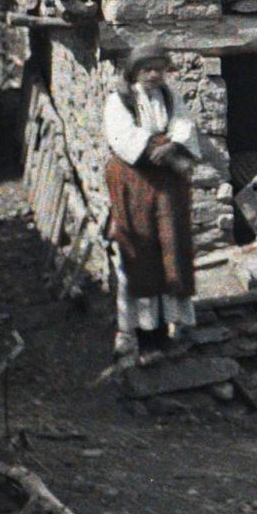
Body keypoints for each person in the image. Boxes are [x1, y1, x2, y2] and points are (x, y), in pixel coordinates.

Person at [102, 47, 204, 363]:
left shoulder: (169, 96)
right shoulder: (120, 100)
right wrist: (154, 146)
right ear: (135, 70)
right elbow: (122, 137)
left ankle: (176, 326)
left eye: (159, 69)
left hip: (166, 183)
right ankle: (145, 335)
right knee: (141, 251)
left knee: (172, 249)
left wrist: (172, 145)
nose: (154, 75)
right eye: (147, 69)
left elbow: (184, 124)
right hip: (134, 181)